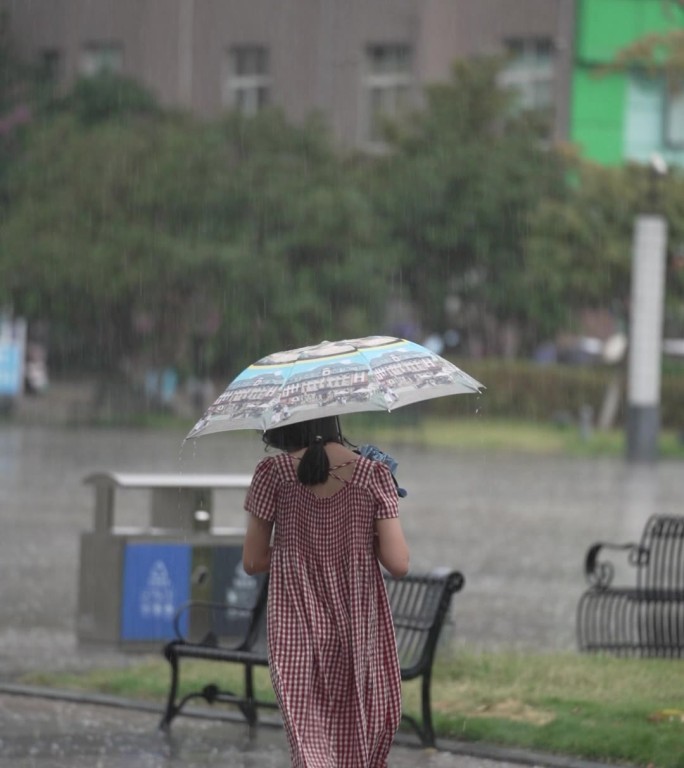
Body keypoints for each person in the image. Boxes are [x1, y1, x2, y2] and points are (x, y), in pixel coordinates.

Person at [242, 415, 409, 768]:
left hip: (295, 624)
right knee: (360, 732)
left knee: (310, 740)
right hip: (359, 623)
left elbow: (253, 560)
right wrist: (362, 538)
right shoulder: (373, 474)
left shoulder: (271, 473)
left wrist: (298, 553)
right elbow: (398, 563)